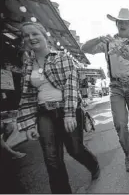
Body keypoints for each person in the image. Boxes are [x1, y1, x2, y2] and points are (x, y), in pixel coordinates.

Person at [17, 22, 100, 193]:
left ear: (44, 35)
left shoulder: (62, 57)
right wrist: (29, 124)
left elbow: (71, 86)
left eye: (34, 34)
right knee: (52, 159)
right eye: (26, 35)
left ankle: (94, 165)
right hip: (43, 113)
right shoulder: (27, 64)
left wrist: (69, 114)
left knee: (75, 150)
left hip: (66, 109)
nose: (30, 38)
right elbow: (27, 96)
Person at [81, 8, 129, 172]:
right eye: (120, 21)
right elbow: (84, 48)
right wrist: (99, 38)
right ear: (116, 24)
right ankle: (128, 155)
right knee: (119, 124)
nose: (123, 24)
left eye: (126, 22)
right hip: (115, 86)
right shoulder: (108, 42)